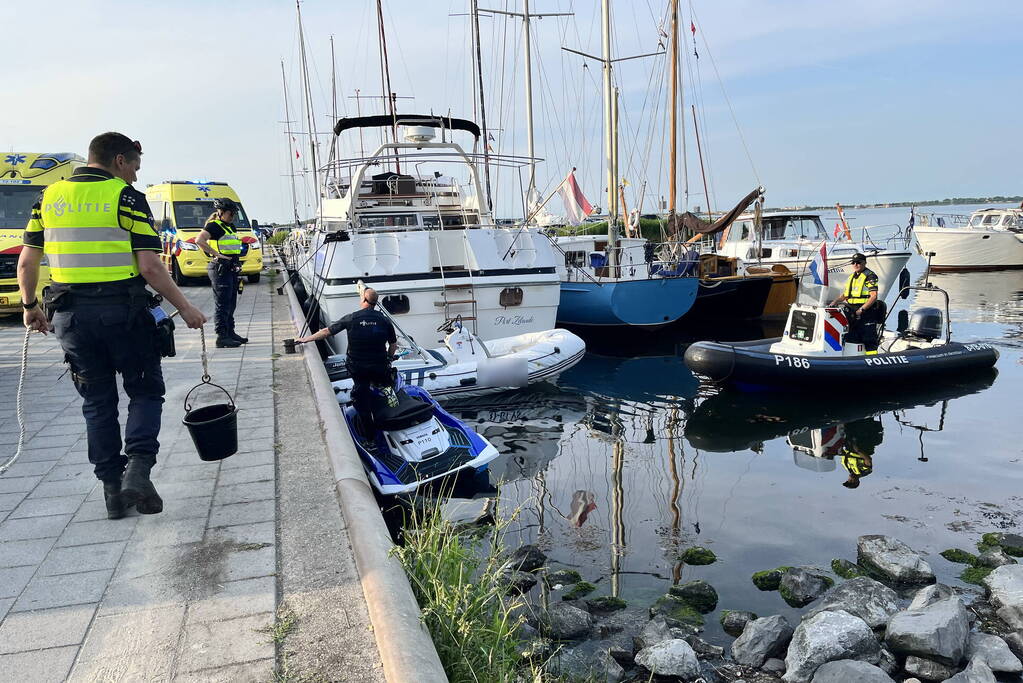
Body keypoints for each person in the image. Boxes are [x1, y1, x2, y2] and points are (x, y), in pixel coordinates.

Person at [18, 132, 207, 519]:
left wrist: (29, 306)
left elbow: (27, 262)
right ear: (120, 160)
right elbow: (150, 267)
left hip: (71, 318)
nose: (136, 176)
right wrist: (186, 307)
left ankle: (112, 491)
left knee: (97, 403)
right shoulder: (126, 197)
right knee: (145, 391)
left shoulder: (48, 197)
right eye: (135, 167)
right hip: (124, 314)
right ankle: (138, 468)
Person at [295, 288, 397, 432]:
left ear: (363, 300)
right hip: (379, 367)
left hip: (358, 368)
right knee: (384, 387)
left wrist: (306, 339)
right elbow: (393, 345)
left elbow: (326, 332)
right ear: (375, 303)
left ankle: (369, 434)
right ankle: (390, 414)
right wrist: (389, 359)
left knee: (362, 400)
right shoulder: (385, 320)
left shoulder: (352, 318)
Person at [196, 198, 246, 348]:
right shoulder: (213, 226)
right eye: (231, 214)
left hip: (231, 268)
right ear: (221, 212)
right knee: (222, 305)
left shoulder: (230, 227)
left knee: (231, 303)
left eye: (234, 214)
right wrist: (217, 254)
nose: (233, 217)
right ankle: (222, 337)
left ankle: (230, 332)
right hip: (220, 269)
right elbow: (199, 240)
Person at [829, 252, 881, 352]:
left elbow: (874, 296)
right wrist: (835, 302)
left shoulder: (870, 276)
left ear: (864, 263)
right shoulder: (851, 277)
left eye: (858, 262)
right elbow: (845, 295)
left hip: (866, 312)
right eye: (853, 262)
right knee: (851, 337)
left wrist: (862, 309)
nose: (855, 264)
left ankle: (872, 358)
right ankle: (853, 358)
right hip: (851, 311)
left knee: (869, 340)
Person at [840, 418, 883, 489]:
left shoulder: (847, 467)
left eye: (848, 480)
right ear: (857, 482)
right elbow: (868, 460)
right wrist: (858, 450)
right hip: (862, 444)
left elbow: (843, 454)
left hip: (849, 443)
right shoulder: (864, 472)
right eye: (851, 481)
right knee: (860, 425)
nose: (850, 479)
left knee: (846, 427)